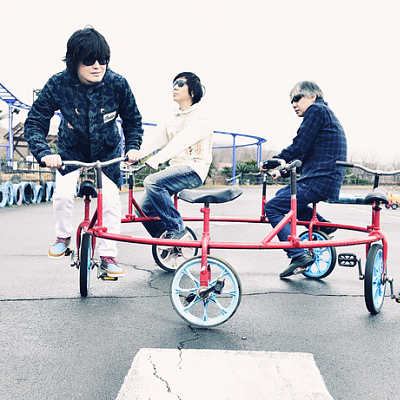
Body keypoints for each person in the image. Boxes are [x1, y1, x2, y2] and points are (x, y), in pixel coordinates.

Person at [24, 26, 143, 278]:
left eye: (103, 60)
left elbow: (132, 120)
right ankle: (63, 236)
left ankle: (108, 255)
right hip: (71, 151)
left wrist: (133, 146)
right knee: (63, 195)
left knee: (111, 202)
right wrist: (44, 152)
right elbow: (35, 121)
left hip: (107, 152)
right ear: (74, 61)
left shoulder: (117, 84)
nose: (97, 66)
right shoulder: (58, 84)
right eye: (89, 60)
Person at [261, 81, 347, 278]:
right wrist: (282, 172)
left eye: (297, 98)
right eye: (291, 101)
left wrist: (273, 161)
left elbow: (299, 145)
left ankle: (297, 254)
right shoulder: (325, 114)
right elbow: (306, 155)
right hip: (324, 177)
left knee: (273, 207)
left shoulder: (316, 110)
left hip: (319, 179)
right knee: (282, 196)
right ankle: (323, 226)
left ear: (313, 96)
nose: (294, 104)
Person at [137, 72, 213, 242]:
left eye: (180, 84)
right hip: (175, 169)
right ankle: (169, 242)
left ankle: (177, 229)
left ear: (192, 92)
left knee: (152, 182)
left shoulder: (202, 117)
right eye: (173, 84)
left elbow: (181, 141)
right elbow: (153, 140)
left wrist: (156, 159)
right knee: (142, 208)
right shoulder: (173, 117)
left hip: (194, 168)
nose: (174, 88)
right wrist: (133, 154)